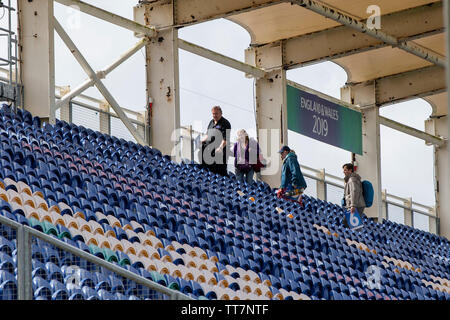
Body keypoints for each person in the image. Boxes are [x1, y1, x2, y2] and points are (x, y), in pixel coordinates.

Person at [200, 106, 231, 176]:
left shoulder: (226, 123)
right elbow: (207, 134)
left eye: (216, 114)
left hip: (220, 152)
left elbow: (226, 139)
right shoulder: (211, 122)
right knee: (208, 170)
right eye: (213, 114)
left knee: (220, 172)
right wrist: (201, 141)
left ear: (221, 113)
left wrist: (220, 148)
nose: (214, 115)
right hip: (209, 151)